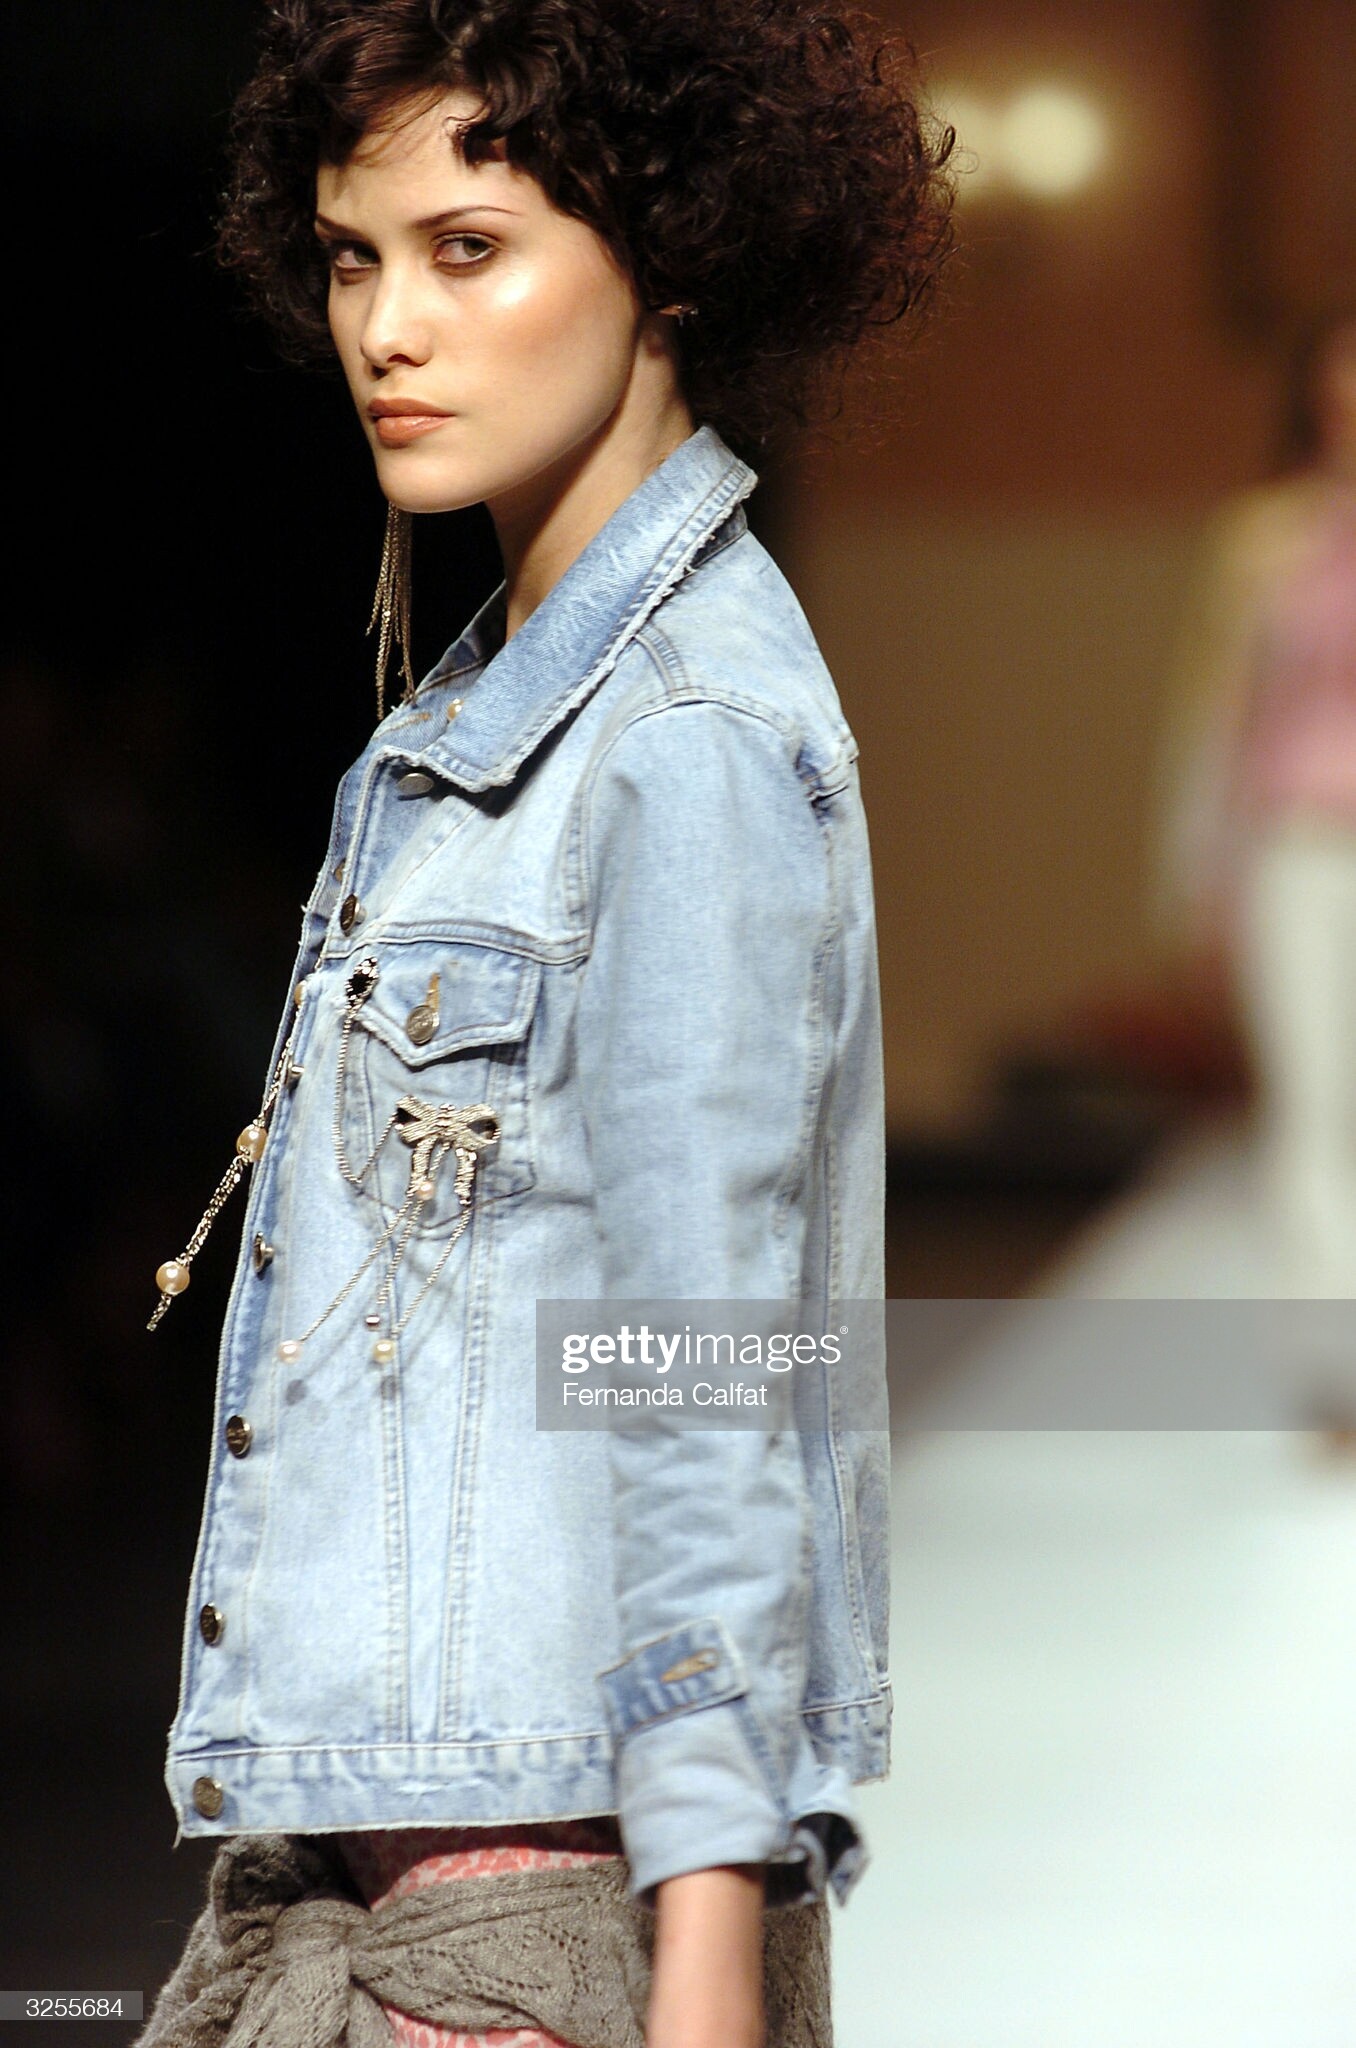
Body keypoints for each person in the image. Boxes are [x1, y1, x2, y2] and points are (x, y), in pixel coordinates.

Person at [137, 4, 954, 2044]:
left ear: (671, 255)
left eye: (468, 248)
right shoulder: (501, 712)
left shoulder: (682, 735)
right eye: (353, 258)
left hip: (531, 1935)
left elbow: (701, 1374)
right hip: (387, 1878)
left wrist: (706, 1965)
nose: (388, 329)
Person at [1151, 311, 1356, 1297]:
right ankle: (1332, 1334)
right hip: (1298, 845)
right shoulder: (1267, 538)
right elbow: (1219, 721)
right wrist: (1200, 874)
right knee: (1312, 1091)